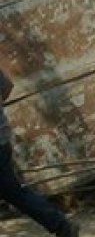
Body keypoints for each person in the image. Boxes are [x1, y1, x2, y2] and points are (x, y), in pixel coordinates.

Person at [0, 69, 79, 237]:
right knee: (13, 191)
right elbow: (6, 86)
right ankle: (61, 225)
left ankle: (62, 225)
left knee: (13, 192)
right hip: (2, 139)